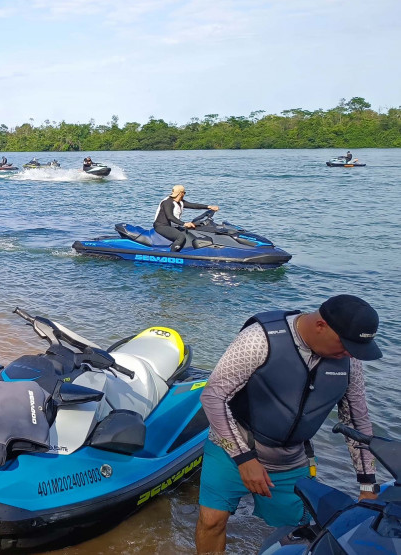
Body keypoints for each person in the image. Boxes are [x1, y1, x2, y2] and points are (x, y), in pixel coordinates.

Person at [195, 295, 382, 554]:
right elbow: (213, 396)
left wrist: (367, 485)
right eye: (346, 344)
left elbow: (357, 420)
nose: (350, 353)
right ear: (321, 325)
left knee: (294, 533)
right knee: (212, 521)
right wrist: (244, 459)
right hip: (231, 448)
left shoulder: (350, 360)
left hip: (290, 459)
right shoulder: (260, 338)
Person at [153, 184, 219, 252]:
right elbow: (170, 217)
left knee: (189, 232)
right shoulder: (167, 202)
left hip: (172, 226)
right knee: (180, 237)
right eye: (184, 193)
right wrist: (184, 224)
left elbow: (193, 205)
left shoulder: (180, 202)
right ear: (181, 193)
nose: (184, 194)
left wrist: (209, 207)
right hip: (161, 226)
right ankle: (173, 254)